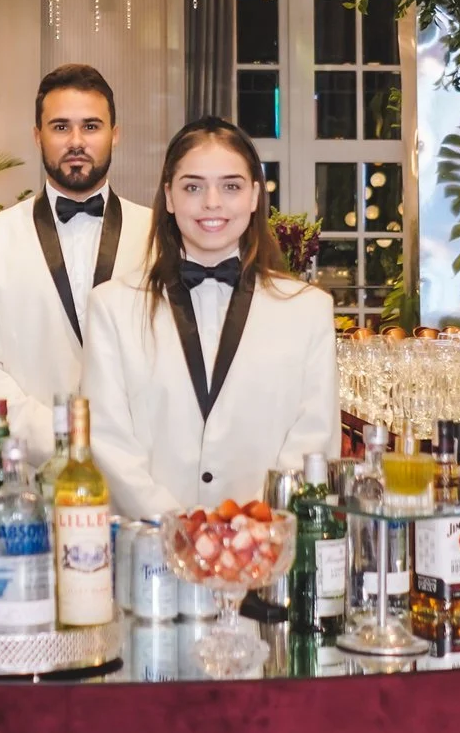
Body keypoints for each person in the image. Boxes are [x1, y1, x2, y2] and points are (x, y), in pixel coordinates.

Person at [80, 116, 337, 520]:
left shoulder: (308, 309)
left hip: (263, 553)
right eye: (193, 187)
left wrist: (246, 524)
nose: (212, 202)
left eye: (231, 186)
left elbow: (315, 441)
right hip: (152, 556)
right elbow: (107, 442)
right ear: (168, 196)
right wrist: (184, 527)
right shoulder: (112, 307)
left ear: (254, 195)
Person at [0, 63, 155, 468]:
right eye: (60, 127)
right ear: (37, 136)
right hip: (24, 468)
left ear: (115, 135)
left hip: (138, 465)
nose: (76, 141)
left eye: (91, 127)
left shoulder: (159, 237)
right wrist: (58, 436)